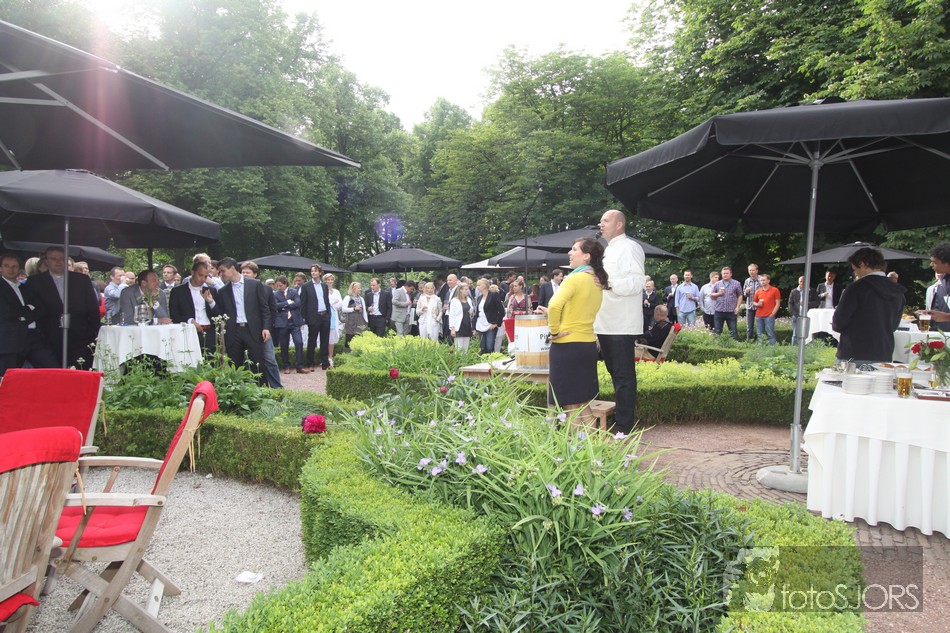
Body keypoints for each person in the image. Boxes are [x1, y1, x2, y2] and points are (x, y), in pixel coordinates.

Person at [593, 209, 645, 434]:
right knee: (615, 374)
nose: (601, 224)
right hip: (605, 323)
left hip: (621, 324)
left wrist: (608, 283)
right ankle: (621, 420)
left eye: (605, 220)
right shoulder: (607, 250)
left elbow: (637, 283)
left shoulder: (630, 248)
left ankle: (624, 426)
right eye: (601, 221)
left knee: (623, 376)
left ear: (619, 224)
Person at [548, 237, 608, 426]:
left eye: (574, 249)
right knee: (582, 404)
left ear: (586, 256)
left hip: (567, 346)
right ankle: (593, 445)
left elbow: (554, 305)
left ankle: (577, 445)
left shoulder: (574, 278)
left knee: (570, 406)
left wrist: (554, 331)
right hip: (587, 345)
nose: (569, 252)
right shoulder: (596, 281)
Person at [23, 246, 100, 368]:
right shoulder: (35, 282)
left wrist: (93, 333)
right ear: (46, 261)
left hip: (80, 338)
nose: (58, 261)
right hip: (48, 339)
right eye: (53, 258)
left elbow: (93, 308)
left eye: (61, 258)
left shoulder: (82, 280)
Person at [831, 247, 906, 364]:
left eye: (855, 269)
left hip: (853, 353)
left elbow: (838, 323)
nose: (855, 273)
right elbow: (893, 326)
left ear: (862, 264)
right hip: (883, 353)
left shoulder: (856, 288)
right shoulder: (897, 291)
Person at [216, 257, 272, 383]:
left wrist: (266, 327)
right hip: (234, 331)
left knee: (258, 363)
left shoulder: (255, 284)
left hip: (252, 329)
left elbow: (264, 308)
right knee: (234, 365)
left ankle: (263, 390)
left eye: (223, 270)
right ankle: (237, 391)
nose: (221, 274)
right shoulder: (223, 291)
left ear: (232, 268)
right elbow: (220, 313)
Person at [0, 252, 56, 376]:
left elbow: (41, 308)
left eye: (14, 266)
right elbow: (6, 312)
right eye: (7, 266)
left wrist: (23, 316)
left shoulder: (25, 287)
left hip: (34, 337)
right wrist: (29, 309)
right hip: (11, 340)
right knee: (8, 377)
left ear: (19, 268)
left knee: (52, 370)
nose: (11, 269)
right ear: (1, 268)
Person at [241, 262, 282, 388]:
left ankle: (277, 388)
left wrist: (267, 327)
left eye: (247, 272)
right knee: (247, 360)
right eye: (243, 272)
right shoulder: (238, 289)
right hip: (246, 330)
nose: (245, 275)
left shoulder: (266, 289)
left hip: (263, 330)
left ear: (255, 274)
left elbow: (271, 310)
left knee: (270, 359)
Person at [169, 261, 220, 356]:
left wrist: (211, 302)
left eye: (206, 276)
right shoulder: (178, 291)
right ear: (192, 273)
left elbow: (219, 314)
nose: (203, 279)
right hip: (188, 332)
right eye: (200, 275)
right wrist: (190, 321)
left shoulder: (211, 290)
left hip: (209, 333)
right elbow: (174, 314)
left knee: (209, 361)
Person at [300, 264, 333, 370]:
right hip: (313, 316)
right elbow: (303, 303)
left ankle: (325, 362)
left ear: (320, 273)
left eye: (315, 271)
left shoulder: (324, 286)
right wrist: (303, 318)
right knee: (312, 340)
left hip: (325, 315)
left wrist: (328, 314)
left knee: (325, 340)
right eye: (312, 271)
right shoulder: (306, 286)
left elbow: (326, 301)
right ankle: (310, 363)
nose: (313, 272)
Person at [274, 275, 307, 374]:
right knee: (284, 345)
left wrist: (283, 306)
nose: (279, 287)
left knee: (299, 342)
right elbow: (275, 306)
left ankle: (299, 366)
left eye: (280, 285)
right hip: (282, 323)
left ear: (285, 284)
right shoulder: (276, 294)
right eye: (277, 286)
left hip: (294, 322)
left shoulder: (294, 291)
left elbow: (298, 303)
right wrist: (287, 302)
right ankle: (286, 366)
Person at [919, 243, 950, 331]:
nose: (931, 264)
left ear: (947, 263)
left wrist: (946, 317)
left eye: (934, 262)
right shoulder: (944, 281)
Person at [710, 266, 743, 340]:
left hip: (731, 311)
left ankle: (735, 345)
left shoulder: (736, 283)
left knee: (733, 331)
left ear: (731, 274)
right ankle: (718, 345)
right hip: (719, 311)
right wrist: (718, 293)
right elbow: (711, 295)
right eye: (723, 273)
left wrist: (738, 307)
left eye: (727, 273)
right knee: (718, 331)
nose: (725, 275)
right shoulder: (717, 284)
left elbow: (740, 295)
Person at [473, 278, 504, 354]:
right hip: (480, 324)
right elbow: (477, 313)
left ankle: (490, 360)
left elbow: (501, 311)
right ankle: (483, 360)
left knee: (490, 346)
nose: (477, 287)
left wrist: (496, 323)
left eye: (479, 285)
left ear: (484, 286)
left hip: (490, 324)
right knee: (482, 347)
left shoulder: (493, 295)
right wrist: (474, 327)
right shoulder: (479, 298)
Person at [787, 275, 819, 346]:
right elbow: (790, 303)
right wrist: (793, 313)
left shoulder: (812, 291)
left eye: (804, 281)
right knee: (795, 333)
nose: (802, 283)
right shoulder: (794, 291)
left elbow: (817, 302)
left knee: (810, 332)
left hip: (809, 315)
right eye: (801, 281)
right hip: (797, 314)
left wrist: (807, 303)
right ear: (798, 282)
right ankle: (794, 347)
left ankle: (810, 347)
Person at [752, 273, 781, 345]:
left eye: (764, 280)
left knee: (770, 333)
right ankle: (760, 349)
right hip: (759, 315)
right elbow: (754, 302)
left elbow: (777, 303)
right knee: (759, 334)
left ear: (768, 281)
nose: (762, 282)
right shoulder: (758, 291)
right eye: (761, 280)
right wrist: (757, 304)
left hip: (769, 315)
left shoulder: (775, 290)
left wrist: (773, 313)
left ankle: (773, 348)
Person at [324, 273, 344, 367]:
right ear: (325, 281)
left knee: (331, 339)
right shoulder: (323, 290)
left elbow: (340, 303)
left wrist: (332, 304)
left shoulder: (336, 291)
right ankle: (323, 357)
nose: (330, 281)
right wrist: (333, 302)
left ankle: (330, 357)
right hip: (324, 316)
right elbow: (324, 303)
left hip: (333, 316)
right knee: (324, 338)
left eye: (331, 280)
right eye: (328, 280)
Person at [448, 283, 474, 351]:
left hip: (467, 325)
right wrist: (452, 328)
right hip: (459, 326)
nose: (468, 291)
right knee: (459, 348)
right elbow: (452, 315)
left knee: (466, 347)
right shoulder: (454, 301)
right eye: (466, 289)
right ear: (461, 290)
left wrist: (471, 313)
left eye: (468, 289)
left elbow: (471, 311)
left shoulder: (469, 299)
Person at [342, 281, 368, 348]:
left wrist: (366, 322)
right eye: (359, 288)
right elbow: (343, 309)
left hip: (360, 321)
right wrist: (354, 308)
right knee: (349, 340)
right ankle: (347, 353)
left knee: (359, 339)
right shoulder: (348, 298)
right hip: (350, 322)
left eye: (360, 288)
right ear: (353, 289)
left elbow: (364, 311)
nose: (360, 289)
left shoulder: (361, 299)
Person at [742, 263, 761, 341]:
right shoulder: (747, 281)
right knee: (749, 326)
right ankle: (749, 341)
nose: (751, 272)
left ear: (757, 271)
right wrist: (746, 292)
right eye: (750, 270)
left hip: (760, 306)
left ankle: (760, 341)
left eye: (753, 270)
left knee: (760, 325)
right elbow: (744, 294)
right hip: (750, 306)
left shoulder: (761, 280)